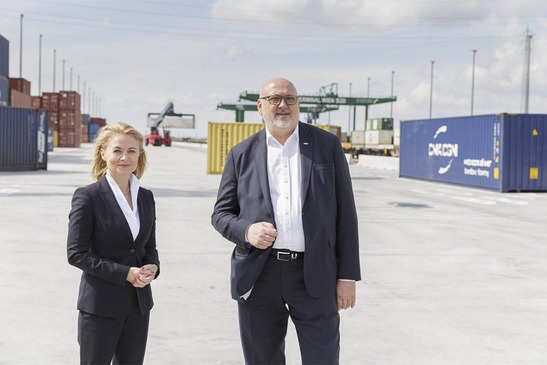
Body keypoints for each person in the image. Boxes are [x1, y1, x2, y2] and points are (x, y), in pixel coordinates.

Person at [211, 77, 361, 364]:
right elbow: (220, 214)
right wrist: (247, 230)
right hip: (259, 274)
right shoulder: (240, 154)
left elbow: (346, 214)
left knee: (323, 358)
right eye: (274, 99)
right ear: (260, 106)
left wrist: (347, 275)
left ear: (298, 105)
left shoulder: (326, 145)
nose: (283, 105)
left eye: (290, 99)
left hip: (315, 273)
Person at [67, 122, 160, 365]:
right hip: (100, 307)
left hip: (138, 306)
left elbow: (149, 247)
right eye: (117, 150)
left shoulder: (146, 197)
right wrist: (124, 273)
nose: (124, 157)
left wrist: (153, 267)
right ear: (103, 153)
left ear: (140, 155)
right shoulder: (88, 196)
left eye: (132, 151)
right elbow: (76, 254)